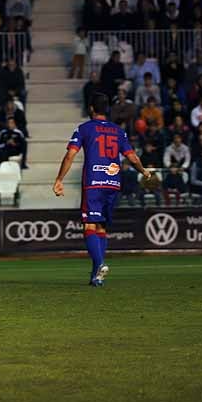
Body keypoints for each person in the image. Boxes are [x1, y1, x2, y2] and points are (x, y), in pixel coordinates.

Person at [52, 93, 156, 286]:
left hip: (94, 182)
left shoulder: (84, 128)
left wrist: (59, 179)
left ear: (91, 108)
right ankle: (95, 277)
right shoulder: (118, 131)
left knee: (89, 226)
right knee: (101, 227)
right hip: (113, 183)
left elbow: (70, 155)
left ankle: (99, 264)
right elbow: (132, 157)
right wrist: (144, 171)